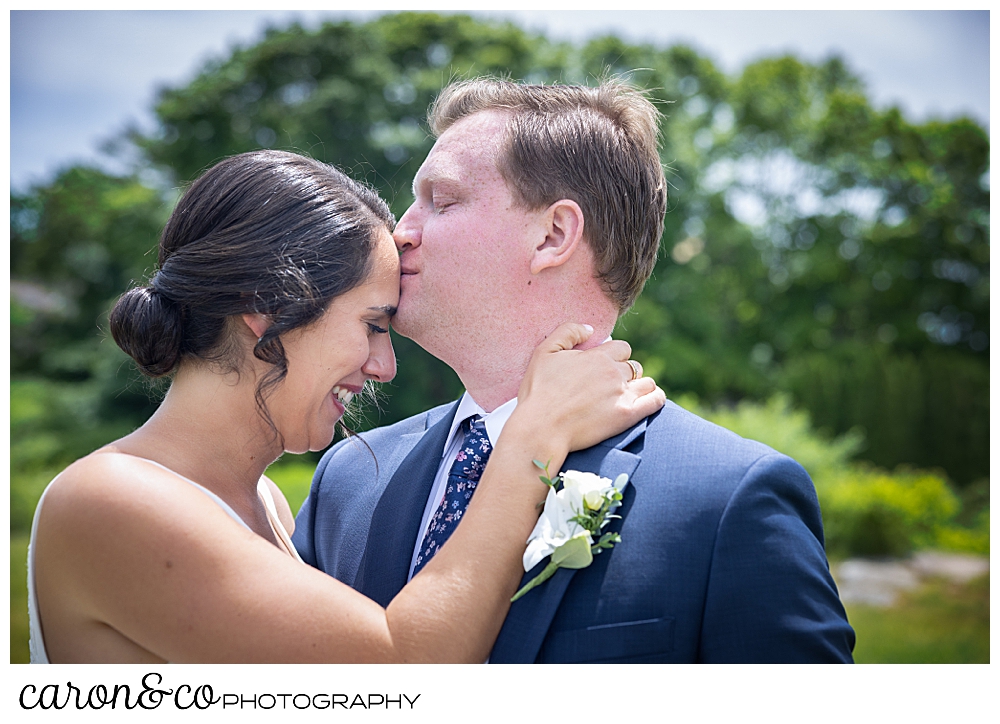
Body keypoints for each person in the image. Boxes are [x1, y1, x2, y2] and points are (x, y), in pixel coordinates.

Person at [25, 150, 666, 663]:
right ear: (268, 308)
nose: (383, 365)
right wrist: (533, 434)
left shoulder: (266, 504)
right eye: (372, 324)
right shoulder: (113, 499)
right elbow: (401, 673)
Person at [294, 79, 857, 663]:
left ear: (554, 234)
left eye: (441, 199)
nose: (399, 232)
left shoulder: (730, 500)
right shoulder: (349, 477)